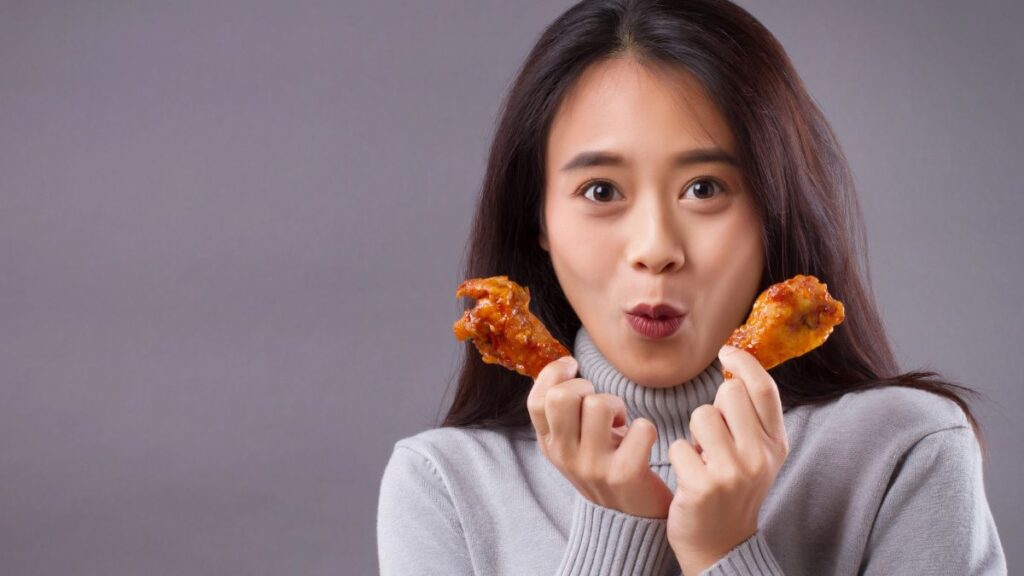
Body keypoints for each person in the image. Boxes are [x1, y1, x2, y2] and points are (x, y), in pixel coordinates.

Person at [376, 0, 1008, 574]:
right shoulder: (445, 486)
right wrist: (616, 526)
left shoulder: (903, 451)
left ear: (771, 209)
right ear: (537, 218)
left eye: (704, 188)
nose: (655, 249)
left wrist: (725, 551)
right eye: (601, 191)